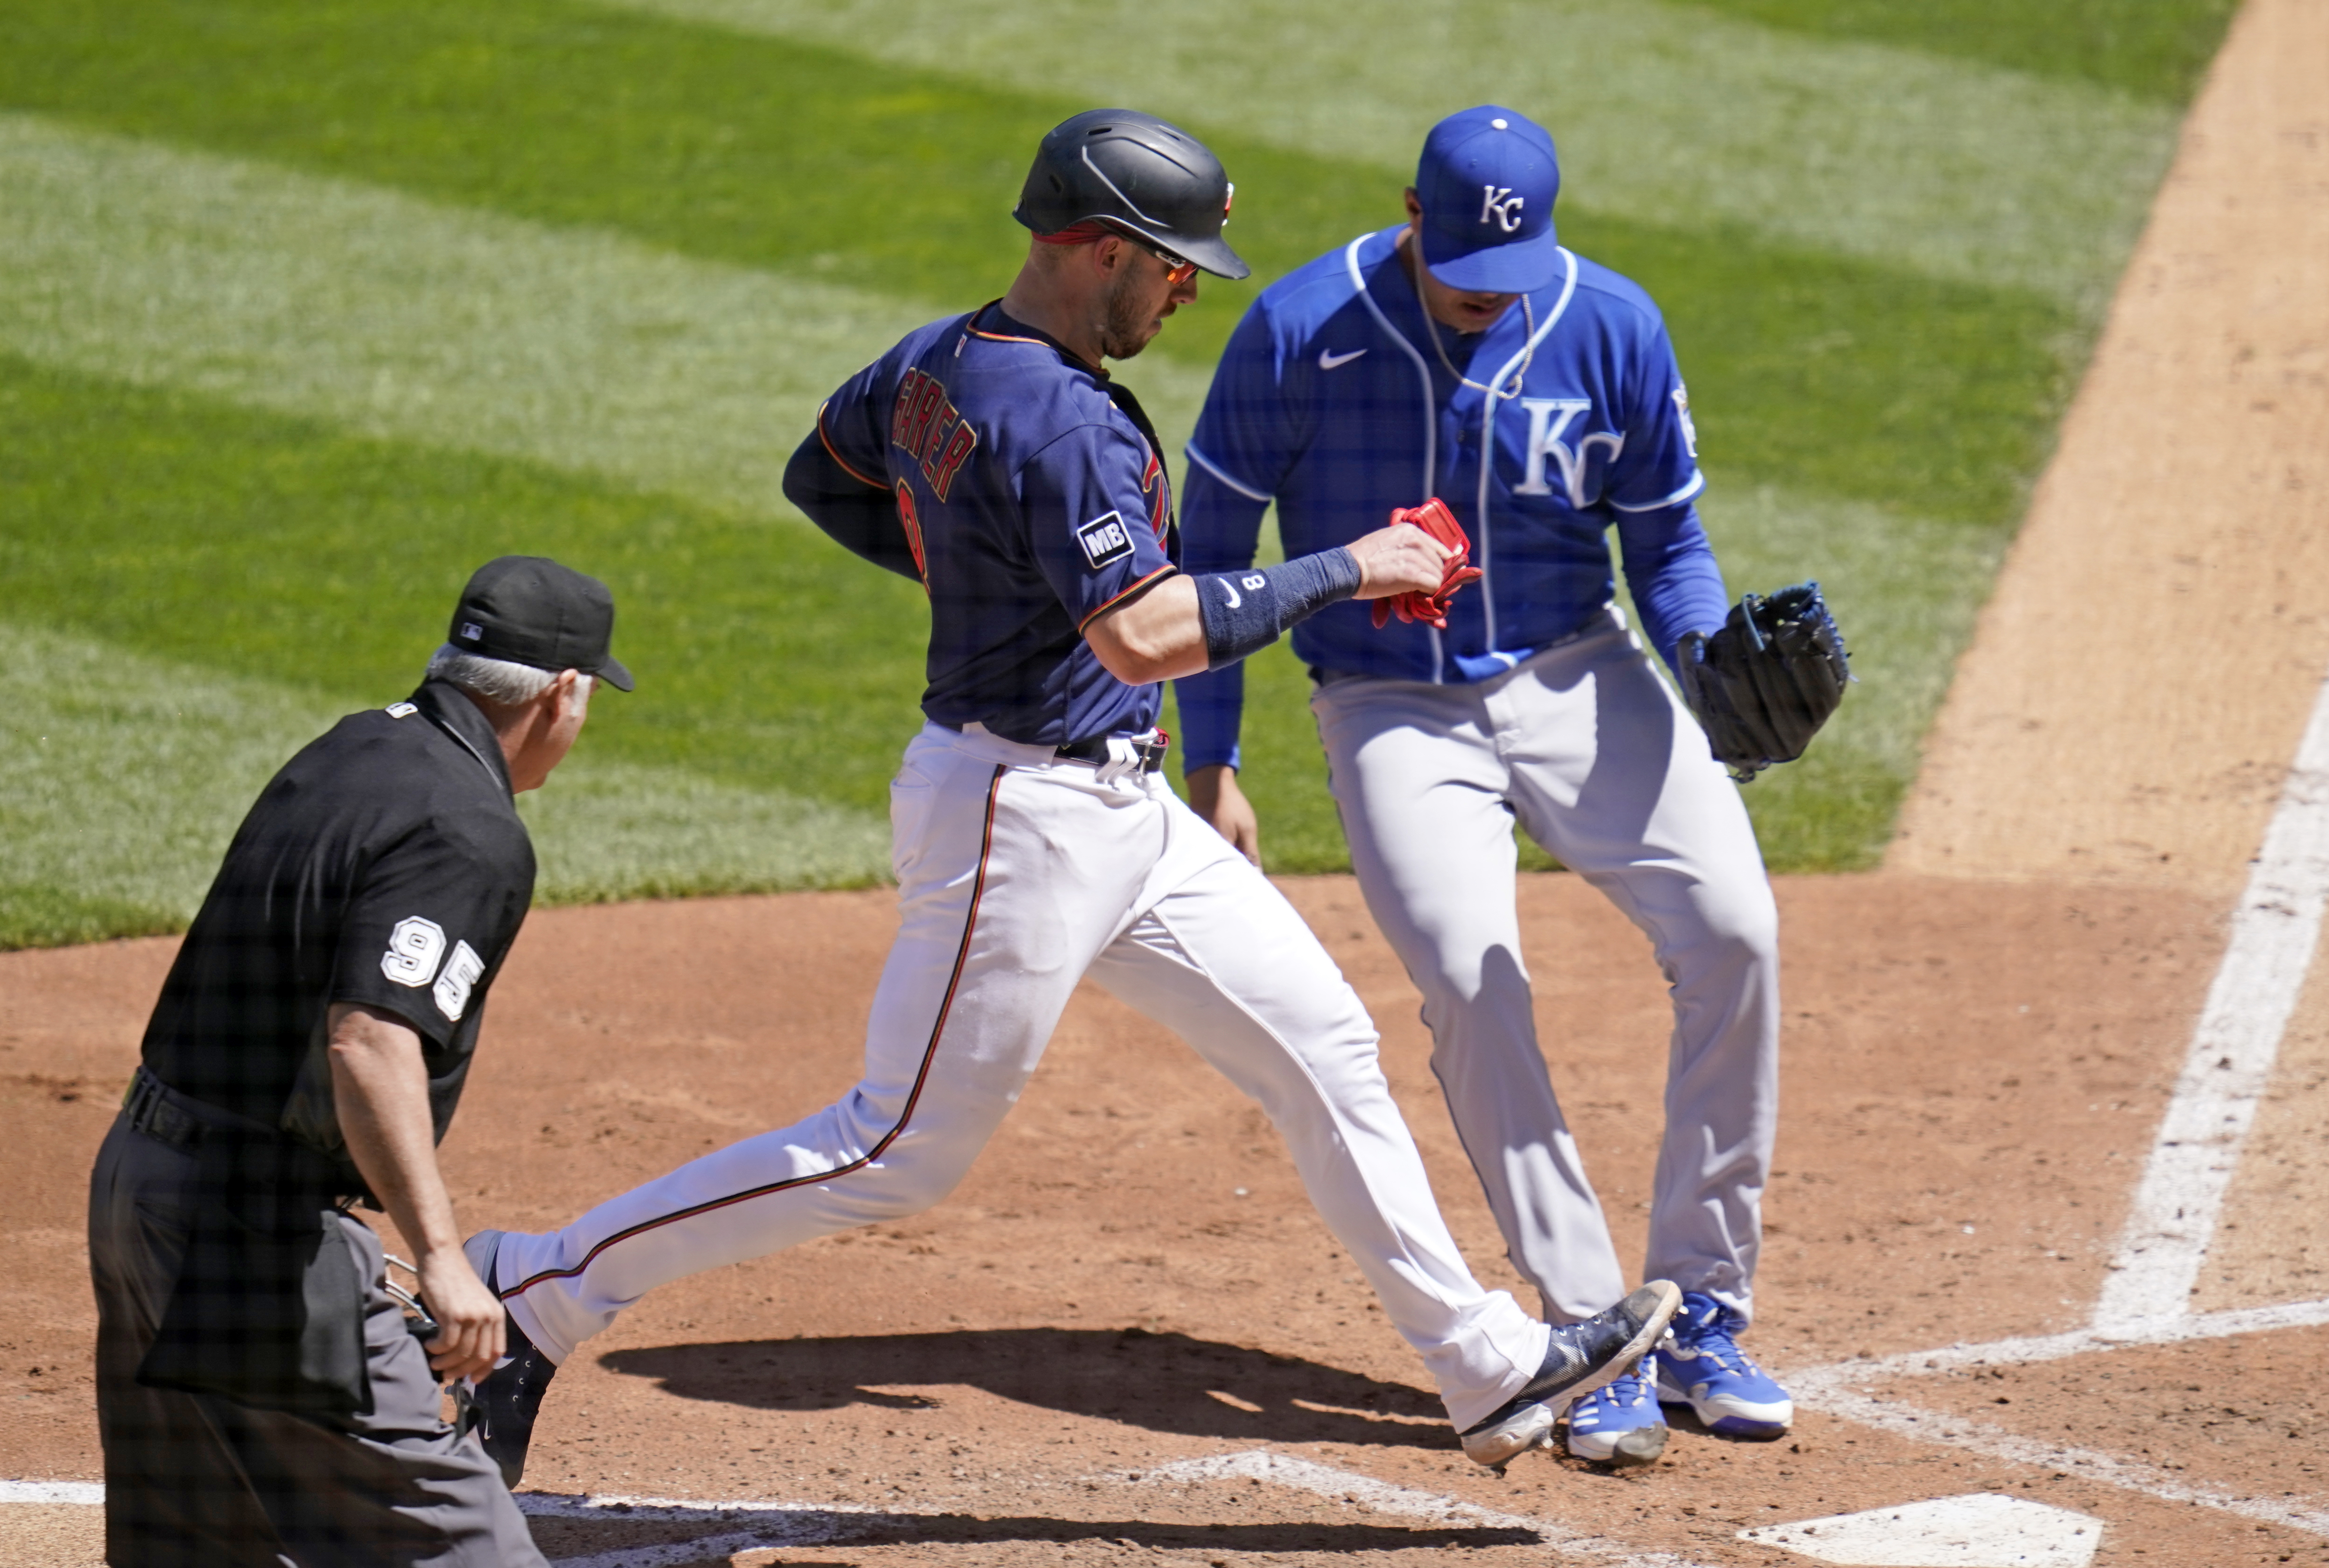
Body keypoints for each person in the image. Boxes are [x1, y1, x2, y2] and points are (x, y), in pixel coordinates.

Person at [462, 108, 1676, 1485]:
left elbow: (830, 478)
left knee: (1324, 1044)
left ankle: (1486, 1367)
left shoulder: (937, 358)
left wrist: (992, 581)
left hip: (1126, 814)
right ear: (1101, 248)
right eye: (1171, 267)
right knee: (896, 1145)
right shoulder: (1063, 418)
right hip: (1020, 816)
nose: (1183, 290)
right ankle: (536, 1287)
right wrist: (1351, 566)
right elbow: (1146, 636)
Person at [1174, 106, 1791, 1466]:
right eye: (1457, 271)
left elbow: (1667, 543)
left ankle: (1703, 1309)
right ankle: (1591, 1328)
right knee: (1470, 975)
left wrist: (1705, 667)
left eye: (1505, 280)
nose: (1479, 301)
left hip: (1578, 668)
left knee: (1737, 929)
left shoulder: (1610, 324)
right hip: (1388, 697)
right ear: (1408, 214)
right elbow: (1207, 549)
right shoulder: (1296, 329)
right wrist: (1207, 763)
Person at [88, 556, 629, 1564]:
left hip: (139, 1182)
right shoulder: (470, 830)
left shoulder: (353, 747)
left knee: (195, 1547)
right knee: (463, 1544)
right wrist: (441, 1255)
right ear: (563, 691)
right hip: (246, 1239)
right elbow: (370, 1039)